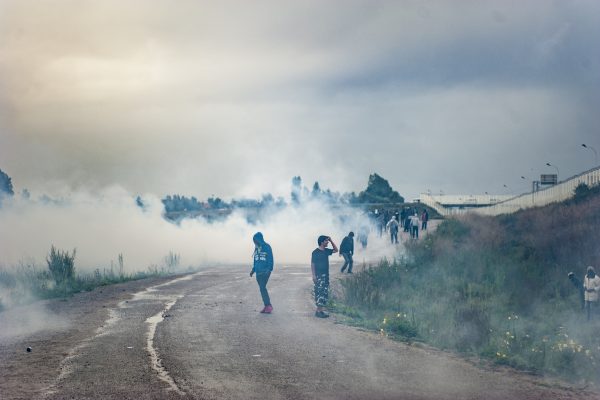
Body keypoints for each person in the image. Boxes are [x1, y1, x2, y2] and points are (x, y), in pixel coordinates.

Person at [311, 235, 338, 318]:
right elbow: (313, 264)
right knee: (320, 293)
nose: (327, 242)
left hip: (326, 275)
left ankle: (320, 310)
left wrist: (331, 240)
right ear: (322, 242)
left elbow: (336, 250)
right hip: (319, 276)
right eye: (326, 241)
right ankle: (319, 311)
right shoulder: (315, 252)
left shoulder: (326, 251)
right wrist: (314, 276)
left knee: (324, 293)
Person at [250, 232, 274, 314]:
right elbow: (255, 260)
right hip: (258, 273)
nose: (254, 242)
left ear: (259, 239)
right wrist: (253, 270)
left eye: (255, 240)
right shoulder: (256, 248)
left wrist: (269, 269)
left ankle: (268, 306)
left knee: (262, 288)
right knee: (262, 289)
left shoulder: (267, 247)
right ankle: (266, 306)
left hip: (265, 272)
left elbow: (270, 259)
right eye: (253, 241)